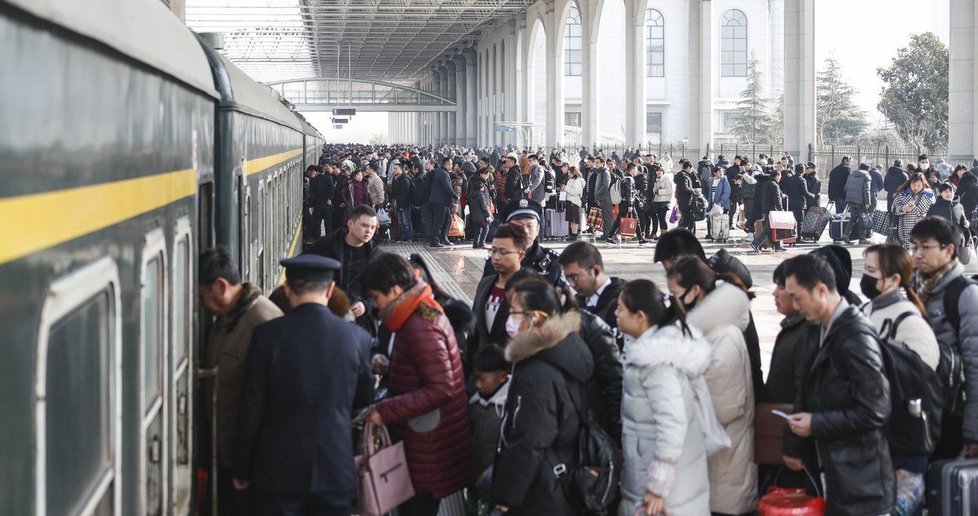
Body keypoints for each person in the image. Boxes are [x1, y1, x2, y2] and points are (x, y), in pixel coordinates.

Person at [232, 254, 374, 515]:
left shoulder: (267, 336)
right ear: (330, 290)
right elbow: (363, 401)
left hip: (277, 472)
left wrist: (241, 468)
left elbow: (251, 409)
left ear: (287, 289)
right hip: (334, 469)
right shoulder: (357, 338)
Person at [781, 254, 895, 515]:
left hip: (863, 483)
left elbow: (875, 411)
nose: (795, 306)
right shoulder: (815, 328)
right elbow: (807, 390)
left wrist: (816, 423)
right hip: (834, 472)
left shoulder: (856, 337)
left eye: (798, 297)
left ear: (821, 290)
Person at [490, 280, 595, 515]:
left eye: (514, 313)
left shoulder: (538, 372)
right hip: (560, 473)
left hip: (543, 488)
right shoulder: (564, 347)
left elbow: (531, 439)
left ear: (535, 318)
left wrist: (506, 496)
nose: (510, 320)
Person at [666, 257, 757, 515]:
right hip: (708, 468)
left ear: (695, 291)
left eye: (675, 294)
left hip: (724, 472)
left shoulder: (722, 336)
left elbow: (724, 407)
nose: (673, 301)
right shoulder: (703, 332)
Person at [198, 247, 283, 515]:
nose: (201, 303)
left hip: (251, 460)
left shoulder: (264, 322)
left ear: (221, 286)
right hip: (227, 451)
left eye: (202, 295)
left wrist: (251, 463)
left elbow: (276, 400)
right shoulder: (228, 318)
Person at [615, 279, 711, 515]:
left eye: (620, 309)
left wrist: (658, 485)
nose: (615, 314)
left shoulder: (656, 361)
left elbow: (672, 422)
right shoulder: (649, 350)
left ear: (640, 316)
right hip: (648, 467)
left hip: (661, 482)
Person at [860, 243, 940, 514]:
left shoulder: (910, 322)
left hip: (902, 440)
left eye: (872, 271)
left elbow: (922, 382)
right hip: (873, 435)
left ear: (894, 279)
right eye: (865, 269)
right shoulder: (865, 310)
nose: (866, 277)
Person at [910, 216, 978, 460]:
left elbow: (974, 365)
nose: (917, 254)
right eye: (914, 246)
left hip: (951, 415)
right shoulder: (911, 289)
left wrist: (973, 432)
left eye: (925, 247)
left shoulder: (965, 293)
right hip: (915, 409)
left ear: (949, 250)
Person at [308, 204, 381, 332]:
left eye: (373, 227)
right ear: (350, 224)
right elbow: (303, 266)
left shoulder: (377, 256)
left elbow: (383, 290)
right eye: (364, 226)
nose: (369, 231)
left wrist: (365, 305)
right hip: (329, 317)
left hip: (362, 322)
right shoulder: (328, 245)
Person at [470, 222, 530, 359]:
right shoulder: (486, 284)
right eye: (493, 250)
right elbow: (475, 331)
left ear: (521, 255)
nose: (496, 257)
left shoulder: (531, 288)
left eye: (503, 252)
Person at [481, 198, 566, 289]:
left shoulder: (553, 262)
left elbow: (565, 300)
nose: (525, 231)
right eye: (519, 226)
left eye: (529, 226)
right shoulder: (495, 262)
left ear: (537, 229)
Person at [558, 240, 625, 332]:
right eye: (567, 278)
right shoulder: (576, 302)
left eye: (575, 277)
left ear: (596, 271)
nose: (572, 284)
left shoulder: (623, 304)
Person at [468, 344, 509, 481]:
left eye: (482, 379)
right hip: (475, 476)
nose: (477, 385)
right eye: (475, 379)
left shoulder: (509, 405)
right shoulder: (473, 405)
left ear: (502, 376)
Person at [893, 173, 935, 250]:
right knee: (908, 250)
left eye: (919, 185)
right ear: (910, 184)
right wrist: (903, 208)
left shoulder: (929, 195)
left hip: (923, 227)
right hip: (906, 226)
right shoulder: (902, 194)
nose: (916, 187)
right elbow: (893, 209)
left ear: (923, 184)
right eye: (913, 185)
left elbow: (933, 212)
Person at [750, 168, 786, 252]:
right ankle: (755, 243)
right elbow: (777, 199)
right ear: (777, 176)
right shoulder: (774, 185)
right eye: (780, 176)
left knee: (775, 229)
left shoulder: (766, 184)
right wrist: (781, 210)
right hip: (772, 211)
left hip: (766, 210)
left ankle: (777, 246)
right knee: (769, 230)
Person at [429, 157, 459, 248]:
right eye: (450, 164)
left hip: (444, 202)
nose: (451, 166)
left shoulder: (441, 171)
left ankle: (444, 238)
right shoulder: (443, 174)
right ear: (445, 164)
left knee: (447, 220)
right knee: (439, 222)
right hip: (440, 202)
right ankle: (435, 241)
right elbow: (447, 187)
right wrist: (455, 195)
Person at [781, 163, 817, 235]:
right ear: (803, 171)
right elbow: (804, 192)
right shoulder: (802, 180)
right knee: (799, 221)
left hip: (790, 203)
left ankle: (790, 235)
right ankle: (798, 237)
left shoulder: (789, 179)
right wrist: (812, 195)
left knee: (791, 221)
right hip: (799, 204)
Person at [842, 162, 873, 245]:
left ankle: (846, 234)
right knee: (862, 219)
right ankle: (862, 238)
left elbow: (846, 187)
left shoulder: (851, 175)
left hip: (850, 200)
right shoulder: (867, 176)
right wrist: (867, 202)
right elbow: (866, 190)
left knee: (853, 218)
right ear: (867, 169)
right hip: (861, 201)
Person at [467, 166, 494, 249]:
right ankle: (482, 243)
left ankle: (475, 243)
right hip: (481, 215)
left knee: (478, 229)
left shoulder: (472, 193)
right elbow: (483, 206)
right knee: (486, 228)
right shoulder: (480, 195)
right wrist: (487, 216)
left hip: (475, 215)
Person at [307, 165, 335, 240]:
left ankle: (317, 238)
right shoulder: (329, 178)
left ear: (317, 172)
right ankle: (329, 239)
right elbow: (332, 189)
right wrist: (329, 199)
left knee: (317, 223)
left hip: (318, 204)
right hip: (327, 204)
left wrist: (311, 205)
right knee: (328, 223)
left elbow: (311, 194)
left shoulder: (313, 180)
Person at [648, 163, 674, 239]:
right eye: (657, 171)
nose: (658, 172)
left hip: (664, 201)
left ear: (663, 172)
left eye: (660, 171)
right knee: (660, 218)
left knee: (662, 218)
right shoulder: (656, 180)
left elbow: (669, 190)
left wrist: (659, 191)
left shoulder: (666, 179)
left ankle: (664, 234)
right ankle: (662, 233)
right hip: (657, 201)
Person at [392, 163, 415, 242]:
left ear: (401, 169)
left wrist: (403, 205)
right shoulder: (395, 179)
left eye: (396, 168)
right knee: (401, 221)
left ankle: (408, 237)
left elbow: (406, 194)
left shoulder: (405, 179)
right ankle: (403, 236)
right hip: (398, 203)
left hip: (405, 204)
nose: (395, 170)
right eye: (394, 168)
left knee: (406, 221)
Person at [562, 165, 586, 240]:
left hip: (574, 202)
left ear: (574, 173)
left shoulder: (578, 181)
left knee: (575, 219)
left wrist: (565, 188)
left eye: (570, 173)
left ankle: (574, 234)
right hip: (570, 201)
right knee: (571, 219)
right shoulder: (571, 180)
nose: (568, 174)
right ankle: (572, 233)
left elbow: (575, 191)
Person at [674, 160, 698, 233]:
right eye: (691, 168)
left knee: (690, 221)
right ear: (688, 167)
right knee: (686, 222)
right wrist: (693, 191)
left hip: (683, 201)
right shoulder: (684, 177)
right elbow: (685, 188)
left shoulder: (681, 175)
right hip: (685, 202)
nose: (692, 170)